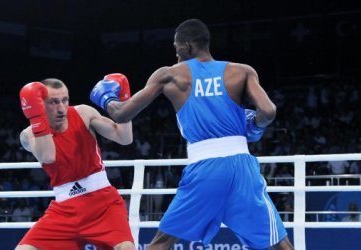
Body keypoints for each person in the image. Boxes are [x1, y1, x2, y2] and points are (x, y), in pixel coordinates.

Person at [90, 19, 294, 249]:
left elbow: (121, 115)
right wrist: (254, 126)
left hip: (205, 169)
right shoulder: (242, 71)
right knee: (279, 242)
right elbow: (268, 111)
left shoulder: (170, 75)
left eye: (176, 46)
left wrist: (107, 98)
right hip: (242, 168)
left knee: (163, 240)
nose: (175, 52)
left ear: (187, 45)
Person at [16, 77, 136, 250]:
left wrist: (125, 102)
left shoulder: (83, 113)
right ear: (39, 104)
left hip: (103, 204)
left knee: (126, 248)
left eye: (65, 100)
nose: (61, 108)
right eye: (54, 102)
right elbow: (49, 156)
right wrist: (37, 117)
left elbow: (124, 138)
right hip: (64, 210)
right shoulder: (28, 135)